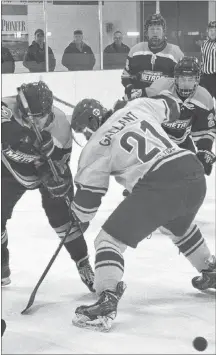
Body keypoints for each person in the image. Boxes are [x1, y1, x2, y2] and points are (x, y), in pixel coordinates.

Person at [69, 95, 216, 332]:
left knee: (107, 240)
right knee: (175, 223)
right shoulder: (136, 106)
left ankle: (107, 299)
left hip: (160, 183)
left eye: (84, 131)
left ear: (89, 124)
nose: (85, 136)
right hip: (192, 171)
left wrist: (75, 217)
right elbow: (173, 106)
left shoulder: (95, 145)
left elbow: (87, 203)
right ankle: (210, 268)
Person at [1, 81, 94, 292]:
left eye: (38, 117)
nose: (32, 121)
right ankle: (1, 264)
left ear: (49, 110)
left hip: (39, 171)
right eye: (27, 116)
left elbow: (59, 167)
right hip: (8, 170)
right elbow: (4, 128)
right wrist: (29, 136)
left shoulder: (61, 127)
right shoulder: (6, 106)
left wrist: (52, 176)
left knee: (62, 218)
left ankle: (83, 262)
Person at [141, 56, 216, 176]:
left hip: (182, 140)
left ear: (197, 80)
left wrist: (204, 149)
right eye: (182, 79)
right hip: (155, 141)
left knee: (192, 173)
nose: (186, 84)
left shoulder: (204, 98)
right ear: (175, 78)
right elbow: (139, 108)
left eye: (190, 79)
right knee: (150, 174)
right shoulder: (160, 88)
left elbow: (205, 130)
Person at [121, 13, 184, 99]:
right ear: (146, 32)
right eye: (151, 29)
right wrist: (129, 86)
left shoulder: (176, 53)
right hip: (138, 100)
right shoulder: (135, 50)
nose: (155, 33)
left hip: (164, 102)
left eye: (158, 29)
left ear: (164, 32)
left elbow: (183, 81)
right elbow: (126, 76)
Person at [200, 21, 216, 100]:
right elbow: (203, 59)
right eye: (211, 30)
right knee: (205, 100)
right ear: (207, 31)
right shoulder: (204, 44)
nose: (212, 33)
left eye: (215, 30)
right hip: (205, 77)